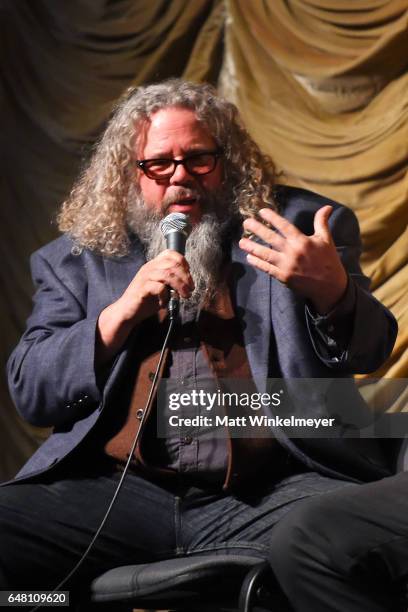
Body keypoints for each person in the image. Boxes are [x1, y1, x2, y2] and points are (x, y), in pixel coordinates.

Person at [1, 79, 398, 606]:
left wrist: (335, 292)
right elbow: (32, 390)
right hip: (118, 493)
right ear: (129, 174)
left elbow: (371, 349)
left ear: (228, 160)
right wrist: (117, 316)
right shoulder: (76, 262)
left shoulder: (296, 230)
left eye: (199, 159)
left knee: (351, 543)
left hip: (272, 490)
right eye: (158, 164)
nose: (181, 176)